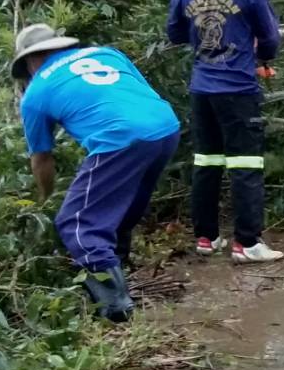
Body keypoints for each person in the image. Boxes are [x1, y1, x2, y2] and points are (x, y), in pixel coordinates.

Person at [12, 24, 181, 322]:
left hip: (119, 138)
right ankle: (119, 267)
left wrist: (44, 198)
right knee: (123, 205)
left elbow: (42, 159)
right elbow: (136, 92)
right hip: (164, 126)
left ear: (31, 61)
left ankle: (116, 308)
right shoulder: (107, 54)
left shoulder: (36, 92)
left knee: (76, 221)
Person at [166, 0, 284, 264]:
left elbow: (175, 34)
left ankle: (207, 237)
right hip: (238, 89)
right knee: (245, 163)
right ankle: (247, 243)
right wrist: (263, 58)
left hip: (201, 89)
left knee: (207, 162)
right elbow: (270, 37)